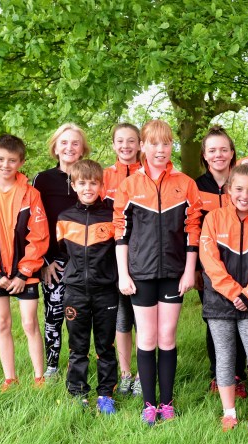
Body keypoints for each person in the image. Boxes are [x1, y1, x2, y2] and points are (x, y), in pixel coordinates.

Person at [113, 119, 202, 425]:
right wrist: (123, 274)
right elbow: (121, 233)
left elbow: (193, 230)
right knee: (147, 337)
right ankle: (149, 404)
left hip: (174, 273)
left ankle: (167, 402)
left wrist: (189, 271)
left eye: (166, 143)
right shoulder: (129, 186)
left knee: (167, 336)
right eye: (153, 143)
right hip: (141, 273)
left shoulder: (186, 184)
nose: (160, 149)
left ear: (172, 146)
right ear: (143, 146)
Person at [200, 164, 248, 432]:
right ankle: (229, 413)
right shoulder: (213, 218)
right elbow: (209, 261)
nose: (245, 195)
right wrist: (235, 293)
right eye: (239, 189)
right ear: (229, 190)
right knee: (225, 358)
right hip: (219, 301)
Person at [0, 134, 49, 391]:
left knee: (29, 323)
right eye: (1, 159)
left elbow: (39, 236)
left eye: (12, 160)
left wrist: (23, 273)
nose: (6, 165)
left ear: (21, 162)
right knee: (2, 322)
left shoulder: (31, 194)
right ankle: (10, 378)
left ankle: (39, 378)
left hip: (26, 271)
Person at [56, 160, 119, 414]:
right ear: (74, 185)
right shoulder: (64, 218)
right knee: (77, 346)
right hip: (75, 291)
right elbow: (63, 252)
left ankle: (106, 394)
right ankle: (77, 393)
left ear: (101, 185)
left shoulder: (112, 216)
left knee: (105, 346)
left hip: (106, 291)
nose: (88, 188)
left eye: (93, 183)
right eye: (82, 183)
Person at [32, 123, 91, 378]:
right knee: (53, 315)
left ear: (82, 149)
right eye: (64, 143)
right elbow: (35, 222)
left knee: (80, 316)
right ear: (55, 148)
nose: (69, 147)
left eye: (75, 143)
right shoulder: (42, 180)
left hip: (84, 263)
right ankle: (52, 366)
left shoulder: (89, 179)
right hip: (54, 262)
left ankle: (78, 363)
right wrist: (44, 261)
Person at [195, 126, 248, 397]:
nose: (219, 155)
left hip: (242, 262)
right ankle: (218, 374)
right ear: (204, 155)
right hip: (210, 267)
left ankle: (239, 374)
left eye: (224, 149)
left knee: (243, 317)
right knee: (215, 320)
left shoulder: (241, 184)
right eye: (213, 150)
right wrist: (195, 268)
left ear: (232, 153)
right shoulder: (195, 186)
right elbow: (190, 228)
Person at [102, 123, 143, 397]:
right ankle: (125, 372)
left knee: (143, 320)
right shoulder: (105, 176)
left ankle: (142, 374)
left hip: (143, 257)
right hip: (112, 257)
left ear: (140, 144)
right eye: (120, 141)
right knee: (121, 318)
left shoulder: (148, 174)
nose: (126, 146)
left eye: (131, 141)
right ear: (114, 144)